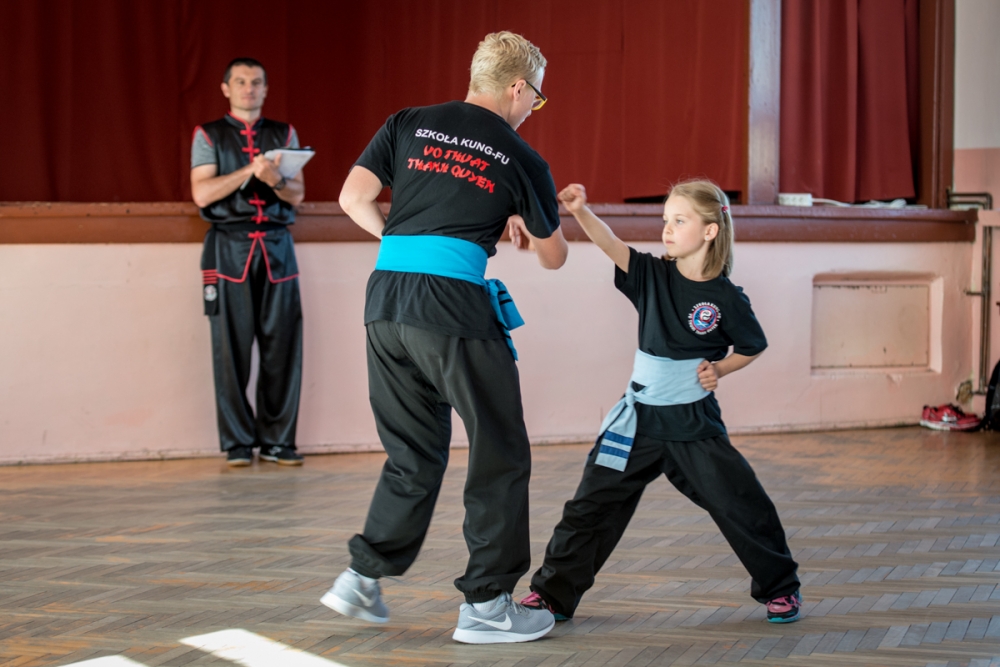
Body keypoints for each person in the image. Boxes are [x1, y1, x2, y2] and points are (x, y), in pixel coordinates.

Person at [320, 32, 568, 644]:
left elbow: (353, 197)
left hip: (385, 299)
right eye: (536, 98)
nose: (532, 109)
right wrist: (520, 220)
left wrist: (413, 243)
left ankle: (361, 577)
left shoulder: (408, 121)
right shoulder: (521, 156)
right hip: (451, 305)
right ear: (518, 88)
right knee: (498, 449)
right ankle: (487, 607)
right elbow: (554, 256)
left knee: (412, 451)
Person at [519, 180, 803, 624]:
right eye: (665, 219)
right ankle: (552, 594)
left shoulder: (727, 297)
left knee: (741, 502)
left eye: (679, 220)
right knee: (591, 505)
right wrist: (580, 211)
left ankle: (781, 588)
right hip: (635, 422)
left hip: (693, 423)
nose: (667, 229)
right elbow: (610, 244)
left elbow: (753, 345)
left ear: (710, 231)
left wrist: (720, 369)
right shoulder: (651, 274)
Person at [190, 57, 306, 467]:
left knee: (283, 347)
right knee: (230, 349)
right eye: (240, 82)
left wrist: (275, 179)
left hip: (277, 247)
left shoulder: (284, 133)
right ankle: (238, 442)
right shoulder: (208, 134)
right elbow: (202, 194)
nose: (249, 88)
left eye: (256, 82)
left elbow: (296, 195)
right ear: (226, 88)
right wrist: (249, 171)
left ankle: (278, 441)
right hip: (228, 249)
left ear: (265, 88)